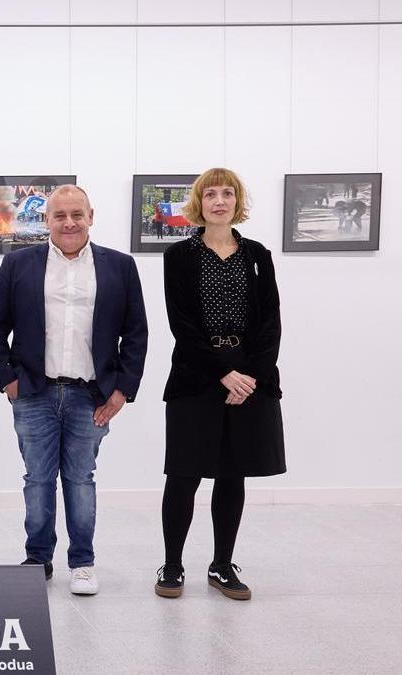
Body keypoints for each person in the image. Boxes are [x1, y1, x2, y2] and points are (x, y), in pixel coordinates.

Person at [0, 185, 148, 595]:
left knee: (80, 479)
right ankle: (38, 558)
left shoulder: (120, 266)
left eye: (77, 214)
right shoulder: (19, 264)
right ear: (46, 219)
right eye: (60, 215)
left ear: (91, 215)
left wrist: (122, 390)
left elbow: (136, 332)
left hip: (91, 395)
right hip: (34, 392)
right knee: (37, 479)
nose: (69, 222)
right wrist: (7, 379)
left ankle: (83, 562)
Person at [156, 168, 285, 601]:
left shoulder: (257, 254)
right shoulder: (179, 256)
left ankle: (222, 564)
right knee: (184, 475)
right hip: (197, 375)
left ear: (237, 201)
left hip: (250, 377)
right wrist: (222, 372)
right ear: (198, 202)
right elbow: (182, 325)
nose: (219, 201)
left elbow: (271, 322)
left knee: (233, 475)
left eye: (227, 193)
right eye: (210, 194)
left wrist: (249, 375)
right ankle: (172, 565)